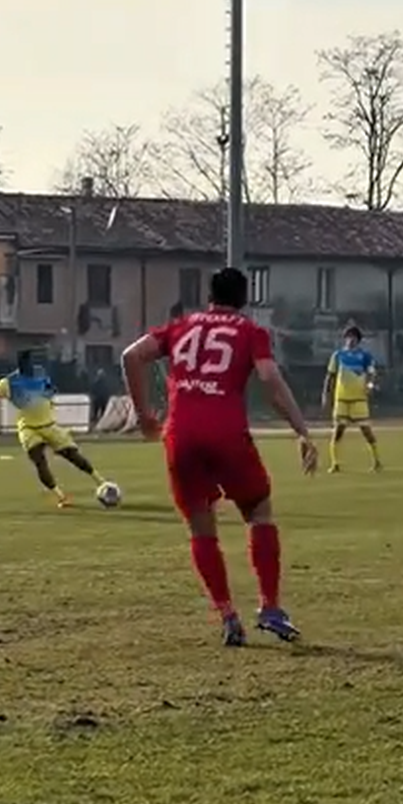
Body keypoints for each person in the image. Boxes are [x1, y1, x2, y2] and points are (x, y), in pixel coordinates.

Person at [120, 266, 318, 647]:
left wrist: (143, 413)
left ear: (209, 296)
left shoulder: (180, 326)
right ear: (244, 299)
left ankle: (228, 615)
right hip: (225, 432)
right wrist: (301, 430)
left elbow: (131, 356)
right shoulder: (249, 332)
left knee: (200, 525)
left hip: (181, 434)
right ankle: (270, 607)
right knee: (258, 511)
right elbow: (270, 381)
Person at [0, 350, 113, 508]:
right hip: (28, 428)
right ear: (21, 364)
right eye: (28, 362)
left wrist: (48, 395)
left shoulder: (40, 373)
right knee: (40, 461)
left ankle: (102, 482)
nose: (32, 366)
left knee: (73, 455)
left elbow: (50, 390)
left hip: (49, 424)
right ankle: (61, 497)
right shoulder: (8, 382)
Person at [322, 325, 382, 473]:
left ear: (358, 340)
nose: (350, 340)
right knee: (338, 431)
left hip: (359, 399)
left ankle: (377, 461)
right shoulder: (338, 355)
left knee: (366, 430)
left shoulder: (365, 356)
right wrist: (325, 394)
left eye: (353, 337)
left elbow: (372, 373)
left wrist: (370, 385)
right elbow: (330, 376)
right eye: (348, 337)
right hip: (342, 399)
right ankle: (335, 463)